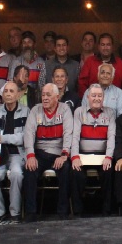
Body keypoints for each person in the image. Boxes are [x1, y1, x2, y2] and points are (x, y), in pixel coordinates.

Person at [23, 84, 74, 222]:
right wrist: (30, 155)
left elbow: (68, 133)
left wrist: (64, 155)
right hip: (40, 153)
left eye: (48, 95)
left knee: (66, 169)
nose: (44, 98)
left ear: (57, 97)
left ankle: (63, 212)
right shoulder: (35, 110)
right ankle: (30, 212)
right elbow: (28, 133)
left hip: (58, 153)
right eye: (43, 95)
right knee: (29, 169)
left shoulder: (65, 109)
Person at [0, 81, 29, 223]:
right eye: (6, 91)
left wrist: (4, 138)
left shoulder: (26, 111)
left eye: (11, 91)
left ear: (18, 95)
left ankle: (15, 211)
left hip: (18, 154)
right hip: (0, 153)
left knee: (16, 174)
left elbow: (25, 137)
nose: (8, 94)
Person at [71, 84, 117, 216]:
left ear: (103, 98)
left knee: (108, 172)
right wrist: (75, 157)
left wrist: (108, 157)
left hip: (102, 156)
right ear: (87, 97)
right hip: (82, 156)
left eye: (99, 96)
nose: (97, 98)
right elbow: (75, 137)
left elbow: (111, 137)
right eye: (93, 95)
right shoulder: (79, 112)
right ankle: (77, 211)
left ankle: (107, 210)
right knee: (75, 173)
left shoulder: (110, 112)